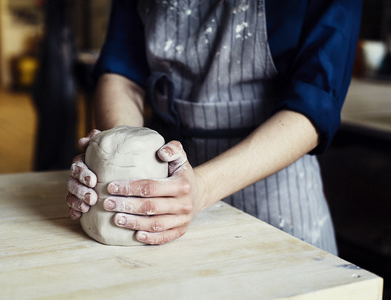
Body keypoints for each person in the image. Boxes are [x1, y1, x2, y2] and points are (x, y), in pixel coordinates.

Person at [66, 0, 362, 254]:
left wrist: (202, 187)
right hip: (164, 173)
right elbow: (121, 71)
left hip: (275, 188)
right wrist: (124, 155)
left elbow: (315, 101)